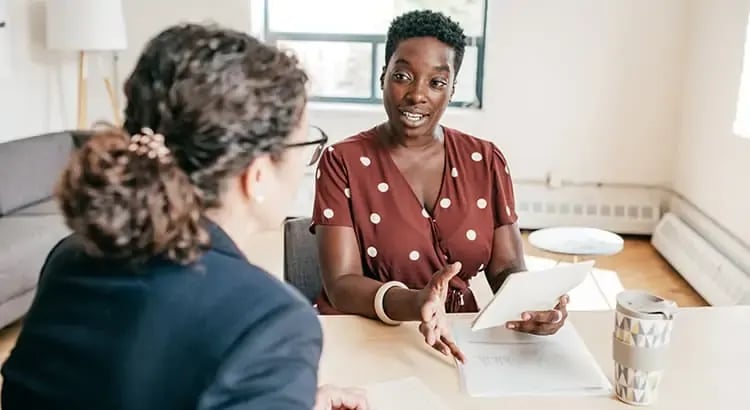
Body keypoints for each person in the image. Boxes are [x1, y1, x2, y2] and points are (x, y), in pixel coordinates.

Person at [1, 23, 366, 410]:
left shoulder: (72, 256)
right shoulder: (270, 323)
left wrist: (275, 392)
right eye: (304, 144)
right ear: (256, 175)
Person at [311, 10, 569, 362]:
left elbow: (506, 266)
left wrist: (534, 304)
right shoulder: (342, 162)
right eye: (403, 76)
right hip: (365, 336)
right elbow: (340, 285)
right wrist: (417, 302)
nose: (418, 94)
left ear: (451, 90)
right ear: (383, 76)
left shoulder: (486, 159)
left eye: (436, 82)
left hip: (458, 338)